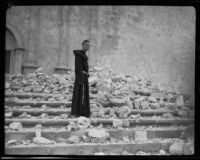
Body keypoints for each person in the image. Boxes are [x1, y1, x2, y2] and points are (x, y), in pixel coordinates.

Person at [71, 40, 90, 118]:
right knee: (80, 94)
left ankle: (83, 112)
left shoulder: (83, 55)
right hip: (81, 78)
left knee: (83, 94)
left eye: (89, 46)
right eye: (87, 45)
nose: (88, 47)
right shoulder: (79, 55)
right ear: (83, 45)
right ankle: (78, 111)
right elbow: (78, 68)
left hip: (84, 77)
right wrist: (84, 74)